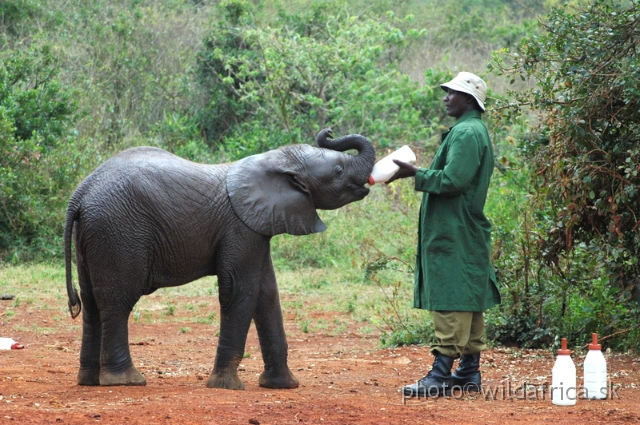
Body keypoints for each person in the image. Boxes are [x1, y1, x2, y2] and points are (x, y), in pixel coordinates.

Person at [387, 71, 501, 397]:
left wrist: (415, 173)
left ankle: (439, 377)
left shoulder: (466, 133)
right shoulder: (471, 130)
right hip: (463, 227)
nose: (446, 98)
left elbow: (453, 181)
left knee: (452, 296)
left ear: (468, 99)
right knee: (469, 297)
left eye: (451, 93)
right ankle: (468, 372)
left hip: (456, 227)